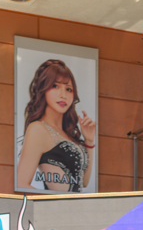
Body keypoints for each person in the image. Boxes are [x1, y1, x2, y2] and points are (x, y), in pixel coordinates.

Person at [17, 59, 96, 193]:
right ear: (43, 89)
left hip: (75, 209)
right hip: (59, 210)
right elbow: (21, 183)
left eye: (69, 89)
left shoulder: (67, 133)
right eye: (55, 86)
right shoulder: (38, 129)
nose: (63, 95)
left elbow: (84, 182)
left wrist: (89, 141)